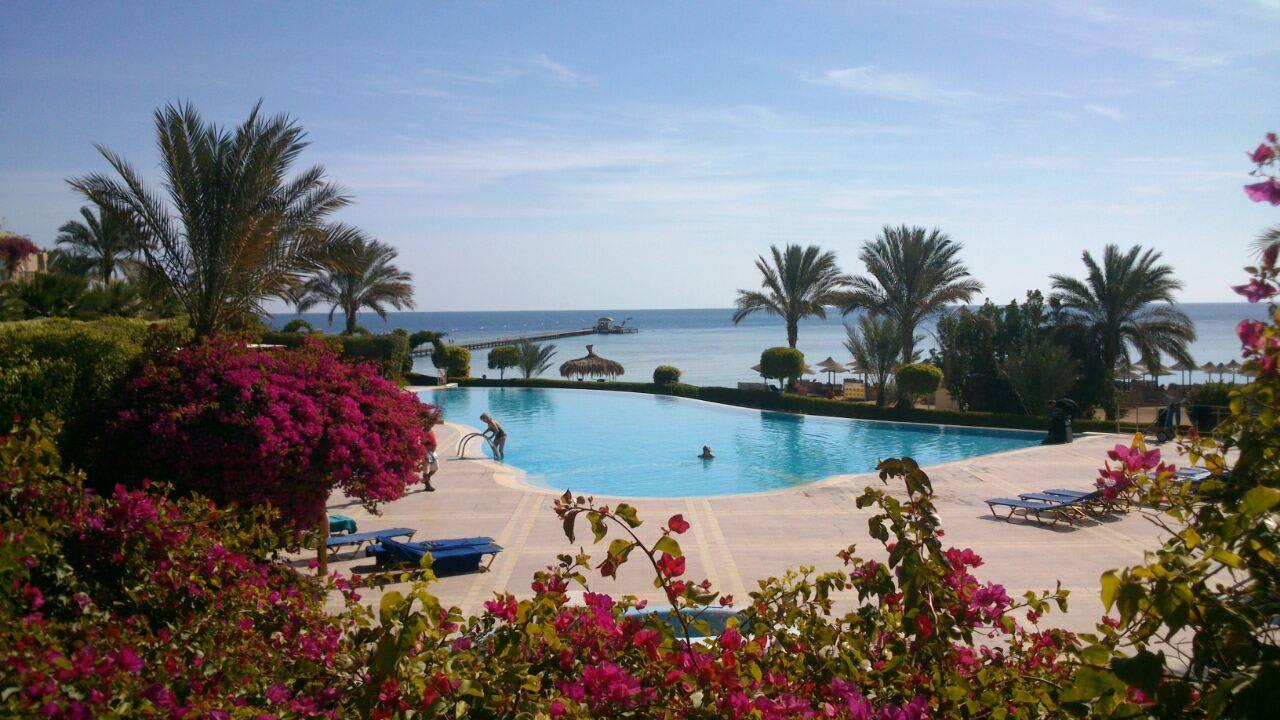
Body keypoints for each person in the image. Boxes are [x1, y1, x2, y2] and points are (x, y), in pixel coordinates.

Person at [423, 426, 438, 491]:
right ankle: (427, 485)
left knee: (435, 467)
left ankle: (426, 479)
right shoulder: (424, 431)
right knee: (426, 469)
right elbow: (422, 442)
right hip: (427, 452)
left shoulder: (430, 429)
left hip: (432, 452)